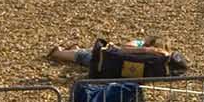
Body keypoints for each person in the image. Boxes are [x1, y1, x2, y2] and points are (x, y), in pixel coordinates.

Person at [47, 37, 188, 77]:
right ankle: (75, 50)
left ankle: (59, 53)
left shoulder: (153, 51)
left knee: (87, 56)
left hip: (114, 64)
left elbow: (127, 49)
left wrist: (116, 48)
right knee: (90, 54)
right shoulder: (164, 62)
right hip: (123, 69)